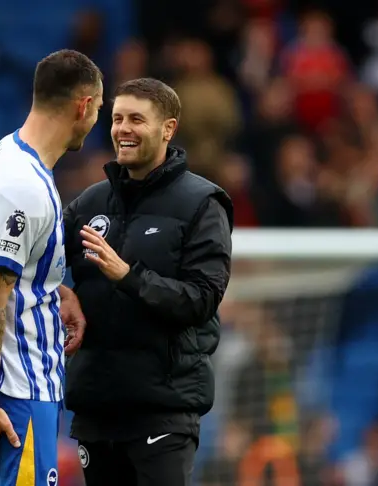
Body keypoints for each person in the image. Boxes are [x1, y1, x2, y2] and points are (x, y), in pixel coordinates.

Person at [62, 78, 234, 486]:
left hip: (164, 408)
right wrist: (61, 290)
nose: (123, 128)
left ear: (168, 129)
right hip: (97, 407)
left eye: (136, 119)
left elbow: (202, 299)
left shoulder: (203, 204)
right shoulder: (89, 203)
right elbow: (40, 262)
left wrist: (128, 276)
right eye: (117, 118)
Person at [0, 49, 102, 485]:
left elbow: (9, 272)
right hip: (12, 388)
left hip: (6, 385)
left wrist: (56, 290)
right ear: (83, 105)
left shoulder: (7, 159)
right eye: (98, 109)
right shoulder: (22, 187)